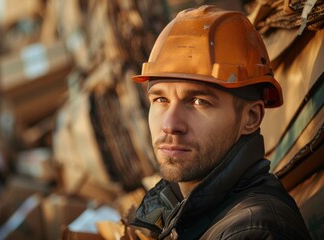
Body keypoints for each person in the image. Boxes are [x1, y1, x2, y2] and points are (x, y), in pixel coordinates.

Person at [130, 5, 312, 240]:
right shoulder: (183, 215)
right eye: (161, 99)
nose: (170, 124)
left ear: (251, 117)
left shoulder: (253, 230)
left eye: (198, 101)